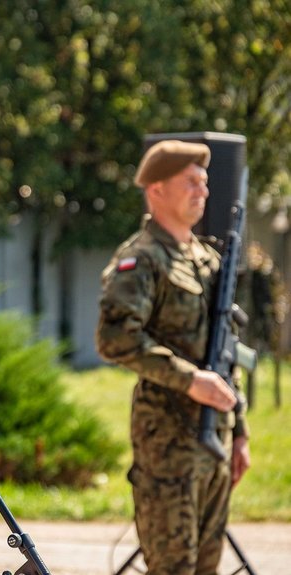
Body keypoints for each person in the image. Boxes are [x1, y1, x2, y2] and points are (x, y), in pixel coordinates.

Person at [96, 140, 251, 574]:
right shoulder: (141, 259)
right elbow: (114, 338)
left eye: (204, 183)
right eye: (190, 182)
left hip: (214, 441)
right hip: (168, 443)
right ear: (156, 190)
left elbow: (225, 354)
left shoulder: (207, 259)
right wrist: (190, 380)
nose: (202, 191)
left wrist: (239, 429)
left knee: (207, 568)